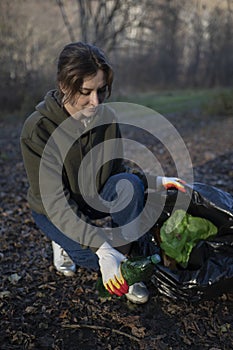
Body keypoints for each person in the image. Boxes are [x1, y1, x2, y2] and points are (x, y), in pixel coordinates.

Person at [20, 42, 186, 304]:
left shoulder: (106, 117)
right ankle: (64, 243)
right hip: (53, 210)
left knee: (129, 186)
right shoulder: (38, 129)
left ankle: (126, 266)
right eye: (86, 92)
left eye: (100, 91)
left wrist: (152, 182)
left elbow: (118, 172)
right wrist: (101, 248)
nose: (95, 101)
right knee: (88, 256)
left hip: (94, 196)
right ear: (65, 86)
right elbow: (55, 202)